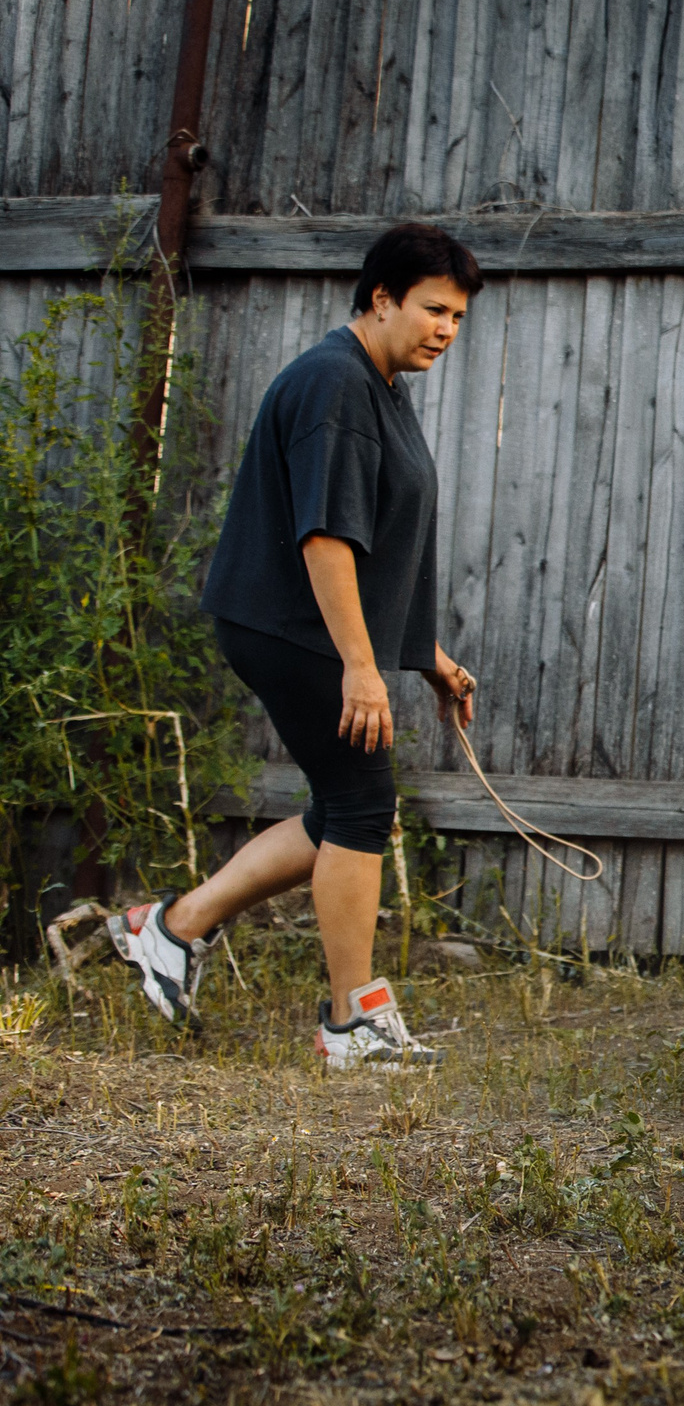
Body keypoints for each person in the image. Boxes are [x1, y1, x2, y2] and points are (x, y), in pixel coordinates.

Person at [108, 223, 482, 1069]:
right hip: (296, 626)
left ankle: (172, 927)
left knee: (339, 810)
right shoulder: (334, 385)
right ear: (381, 297)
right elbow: (326, 538)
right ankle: (351, 1021)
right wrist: (361, 665)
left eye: (457, 316)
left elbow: (385, 540)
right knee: (360, 802)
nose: (445, 330)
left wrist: (423, 653)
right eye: (432, 309)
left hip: (311, 626)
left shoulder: (378, 382)